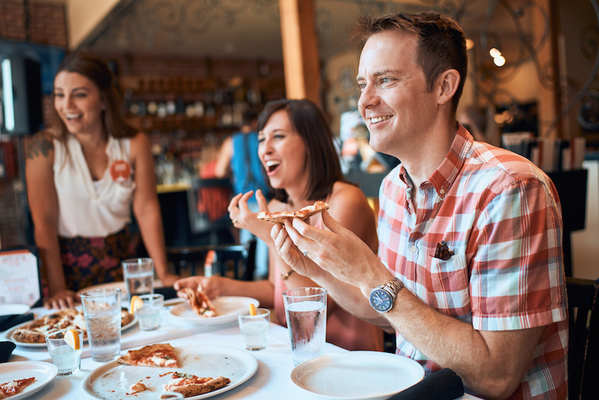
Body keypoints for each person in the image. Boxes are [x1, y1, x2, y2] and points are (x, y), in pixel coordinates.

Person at [269, 13, 567, 399]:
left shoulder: (510, 190)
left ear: (444, 86)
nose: (365, 101)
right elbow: (391, 310)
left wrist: (370, 271)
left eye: (385, 80)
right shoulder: (395, 187)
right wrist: (320, 271)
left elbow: (497, 376)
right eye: (363, 84)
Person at [176, 99, 383, 351]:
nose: (265, 150)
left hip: (350, 359)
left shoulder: (344, 201)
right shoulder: (276, 208)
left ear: (310, 143)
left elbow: (310, 317)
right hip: (297, 354)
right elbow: (278, 289)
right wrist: (219, 287)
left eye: (278, 137)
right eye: (262, 139)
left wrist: (274, 237)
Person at [26, 54, 179, 309]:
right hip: (67, 272)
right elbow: (45, 223)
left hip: (123, 266)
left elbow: (146, 209)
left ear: (104, 99)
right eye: (59, 95)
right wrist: (58, 288)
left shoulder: (134, 143)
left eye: (80, 94)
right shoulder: (44, 147)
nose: (67, 105)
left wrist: (163, 273)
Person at [214, 109, 270, 278]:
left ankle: (249, 271)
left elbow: (218, 171)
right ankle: (261, 273)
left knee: (247, 234)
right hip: (264, 197)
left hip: (243, 198)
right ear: (255, 123)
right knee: (264, 236)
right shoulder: (262, 139)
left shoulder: (231, 142)